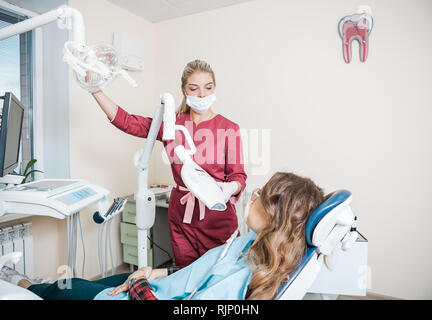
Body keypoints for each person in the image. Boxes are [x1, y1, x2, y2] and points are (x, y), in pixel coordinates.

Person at [1, 172, 325, 300]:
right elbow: (199, 273)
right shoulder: (250, 243)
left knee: (66, 288)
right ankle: (35, 283)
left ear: (275, 214)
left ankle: (23, 283)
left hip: (147, 296)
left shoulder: (240, 279)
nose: (251, 196)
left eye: (260, 194)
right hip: (157, 284)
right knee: (93, 282)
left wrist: (138, 284)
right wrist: (154, 272)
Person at [90, 59, 247, 267]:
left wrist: (229, 188)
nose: (202, 95)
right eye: (194, 88)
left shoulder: (228, 128)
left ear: (214, 87)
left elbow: (239, 176)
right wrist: (95, 90)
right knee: (184, 275)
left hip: (216, 217)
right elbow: (128, 122)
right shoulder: (172, 125)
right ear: (183, 90)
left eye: (208, 88)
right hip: (182, 216)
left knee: (218, 276)